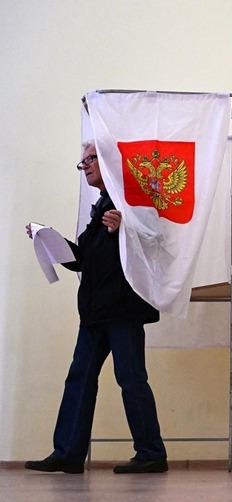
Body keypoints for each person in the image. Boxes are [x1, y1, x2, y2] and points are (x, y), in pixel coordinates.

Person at [25, 142, 168, 474]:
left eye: (91, 159)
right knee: (80, 377)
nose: (85, 165)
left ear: (108, 161)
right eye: (83, 161)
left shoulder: (132, 201)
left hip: (123, 308)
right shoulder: (101, 206)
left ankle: (151, 453)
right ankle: (69, 454)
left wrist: (125, 229)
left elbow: (157, 241)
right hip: (95, 311)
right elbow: (84, 260)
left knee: (130, 377)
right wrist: (48, 239)